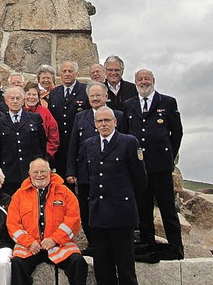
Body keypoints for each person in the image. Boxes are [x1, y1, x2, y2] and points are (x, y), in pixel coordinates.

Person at [80, 107, 146, 284]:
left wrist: (128, 202)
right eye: (100, 121)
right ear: (95, 124)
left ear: (115, 122)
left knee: (125, 267)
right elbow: (87, 178)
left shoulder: (128, 142)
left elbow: (140, 179)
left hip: (121, 214)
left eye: (107, 121)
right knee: (102, 267)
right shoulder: (89, 144)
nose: (103, 124)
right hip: (98, 214)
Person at [123, 69, 184, 260]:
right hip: (140, 166)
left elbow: (177, 132)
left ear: (153, 81)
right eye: (140, 79)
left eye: (147, 79)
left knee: (167, 207)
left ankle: (176, 246)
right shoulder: (129, 105)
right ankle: (147, 242)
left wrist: (169, 155)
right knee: (143, 206)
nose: (143, 82)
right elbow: (125, 133)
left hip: (160, 166)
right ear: (135, 82)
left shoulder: (167, 102)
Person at [7, 158, 87, 285]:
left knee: (78, 262)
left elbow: (73, 220)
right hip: (30, 246)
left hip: (59, 245)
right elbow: (13, 224)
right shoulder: (19, 195)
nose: (39, 175)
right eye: (36, 172)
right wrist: (29, 242)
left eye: (43, 171)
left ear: (50, 172)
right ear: (29, 173)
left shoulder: (65, 192)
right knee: (17, 264)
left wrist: (55, 239)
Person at [66, 81, 125, 250]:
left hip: (111, 174)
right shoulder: (80, 117)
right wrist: (71, 170)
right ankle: (94, 244)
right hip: (86, 172)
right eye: (92, 96)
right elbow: (73, 145)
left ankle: (110, 243)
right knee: (87, 209)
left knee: (108, 207)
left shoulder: (118, 116)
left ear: (106, 97)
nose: (95, 98)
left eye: (98, 95)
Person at [0, 86, 46, 195]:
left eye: (18, 98)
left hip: (31, 172)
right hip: (10, 173)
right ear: (6, 101)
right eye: (11, 98)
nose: (15, 101)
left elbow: (42, 144)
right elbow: (0, 147)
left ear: (23, 100)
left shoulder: (34, 118)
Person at [48, 61, 88, 180]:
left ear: (76, 73)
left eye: (70, 71)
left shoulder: (85, 90)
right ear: (60, 74)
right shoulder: (54, 92)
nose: (67, 74)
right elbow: (51, 119)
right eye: (64, 71)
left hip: (79, 143)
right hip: (61, 145)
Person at [23, 82, 59, 163]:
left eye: (34, 94)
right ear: (24, 96)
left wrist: (47, 154)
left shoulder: (45, 112)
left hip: (42, 156)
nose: (31, 97)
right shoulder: (19, 112)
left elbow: (53, 134)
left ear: (38, 98)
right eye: (29, 94)